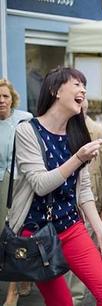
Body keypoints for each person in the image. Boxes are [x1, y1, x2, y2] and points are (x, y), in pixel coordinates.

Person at [8, 67, 102, 306]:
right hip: (37, 235)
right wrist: (78, 158)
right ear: (55, 90)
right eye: (77, 84)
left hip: (71, 227)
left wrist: (100, 231)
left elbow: (84, 188)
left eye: (84, 85)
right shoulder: (27, 131)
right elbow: (40, 185)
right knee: (62, 303)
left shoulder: (76, 132)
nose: (84, 90)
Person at [67, 98, 102, 306]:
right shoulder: (60, 130)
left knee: (86, 261)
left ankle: (76, 299)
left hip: (92, 202)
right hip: (66, 207)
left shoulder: (99, 133)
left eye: (83, 96)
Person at [0, 79, 33, 306]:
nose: (1, 101)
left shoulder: (25, 118)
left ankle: (15, 290)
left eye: (5, 96)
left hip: (20, 183)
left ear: (13, 98)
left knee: (15, 233)